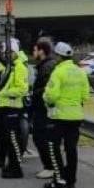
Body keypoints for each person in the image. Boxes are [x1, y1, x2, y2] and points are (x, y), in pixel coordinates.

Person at [42, 41, 87, 188]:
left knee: (53, 147)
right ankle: (71, 181)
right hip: (76, 117)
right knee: (71, 149)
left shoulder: (58, 72)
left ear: (59, 56)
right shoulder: (80, 71)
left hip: (58, 116)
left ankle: (59, 179)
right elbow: (85, 96)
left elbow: (52, 96)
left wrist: (46, 98)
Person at [0, 38, 30, 178]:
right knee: (2, 136)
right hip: (0, 107)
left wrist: (4, 93)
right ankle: (5, 162)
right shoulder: (2, 66)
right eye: (5, 52)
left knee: (13, 139)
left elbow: (22, 89)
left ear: (16, 52)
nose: (8, 54)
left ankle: (16, 169)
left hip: (12, 108)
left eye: (11, 52)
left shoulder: (19, 67)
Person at [28, 37, 59, 180]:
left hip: (44, 109)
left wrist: (33, 94)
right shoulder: (47, 65)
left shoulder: (47, 67)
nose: (33, 53)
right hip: (44, 108)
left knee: (41, 138)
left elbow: (46, 89)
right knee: (42, 138)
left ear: (42, 51)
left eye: (35, 50)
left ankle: (50, 167)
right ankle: (51, 167)